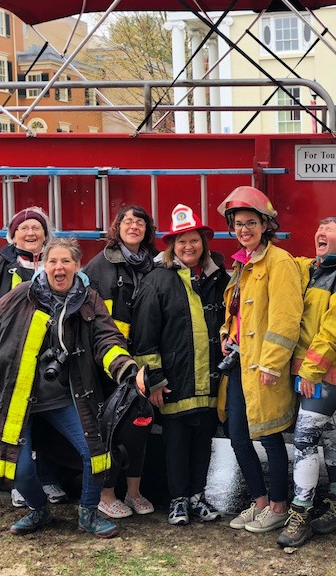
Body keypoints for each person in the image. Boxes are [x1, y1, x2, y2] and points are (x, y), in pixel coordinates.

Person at [0, 237, 139, 539]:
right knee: (19, 470)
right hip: (17, 399)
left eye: (66, 261)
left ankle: (88, 514)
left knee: (96, 454)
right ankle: (39, 510)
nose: (59, 268)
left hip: (67, 398)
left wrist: (125, 368)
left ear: (77, 265)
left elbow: (106, 340)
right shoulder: (21, 295)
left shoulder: (89, 299)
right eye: (53, 261)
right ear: (44, 266)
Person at [131, 204, 229, 525]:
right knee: (176, 442)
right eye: (182, 241)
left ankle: (197, 496)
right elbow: (144, 335)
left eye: (195, 240)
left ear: (204, 242)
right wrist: (154, 379)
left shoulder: (217, 278)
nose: (189, 247)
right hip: (174, 380)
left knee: (204, 441)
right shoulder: (157, 281)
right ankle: (177, 500)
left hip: (210, 379)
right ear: (172, 246)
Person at [0, 206, 67, 509]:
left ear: (46, 234)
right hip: (11, 362)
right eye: (23, 228)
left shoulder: (56, 264)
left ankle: (47, 478)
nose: (30, 233)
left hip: (49, 362)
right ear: (13, 235)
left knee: (46, 425)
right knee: (15, 425)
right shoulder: (1, 266)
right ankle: (20, 485)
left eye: (36, 227)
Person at [218, 186, 303, 534]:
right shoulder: (242, 263)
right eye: (238, 223)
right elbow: (236, 310)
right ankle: (260, 502)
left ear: (266, 224)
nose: (244, 229)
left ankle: (280, 506)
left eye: (251, 222)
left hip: (263, 366)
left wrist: (272, 363)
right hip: (240, 362)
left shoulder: (279, 262)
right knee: (237, 435)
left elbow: (286, 318)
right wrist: (226, 333)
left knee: (270, 436)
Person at [277, 217, 336, 548]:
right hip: (311, 372)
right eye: (318, 229)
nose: (320, 233)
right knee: (331, 434)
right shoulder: (313, 271)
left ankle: (300, 512)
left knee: (304, 437)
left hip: (329, 372)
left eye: (329, 230)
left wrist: (311, 372)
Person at [84, 205, 158, 519]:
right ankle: (105, 494)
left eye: (140, 221)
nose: (133, 226)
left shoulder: (155, 264)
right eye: (127, 221)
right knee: (109, 429)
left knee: (139, 429)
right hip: (109, 364)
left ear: (147, 229)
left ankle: (134, 492)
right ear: (117, 227)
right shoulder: (99, 265)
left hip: (143, 362)